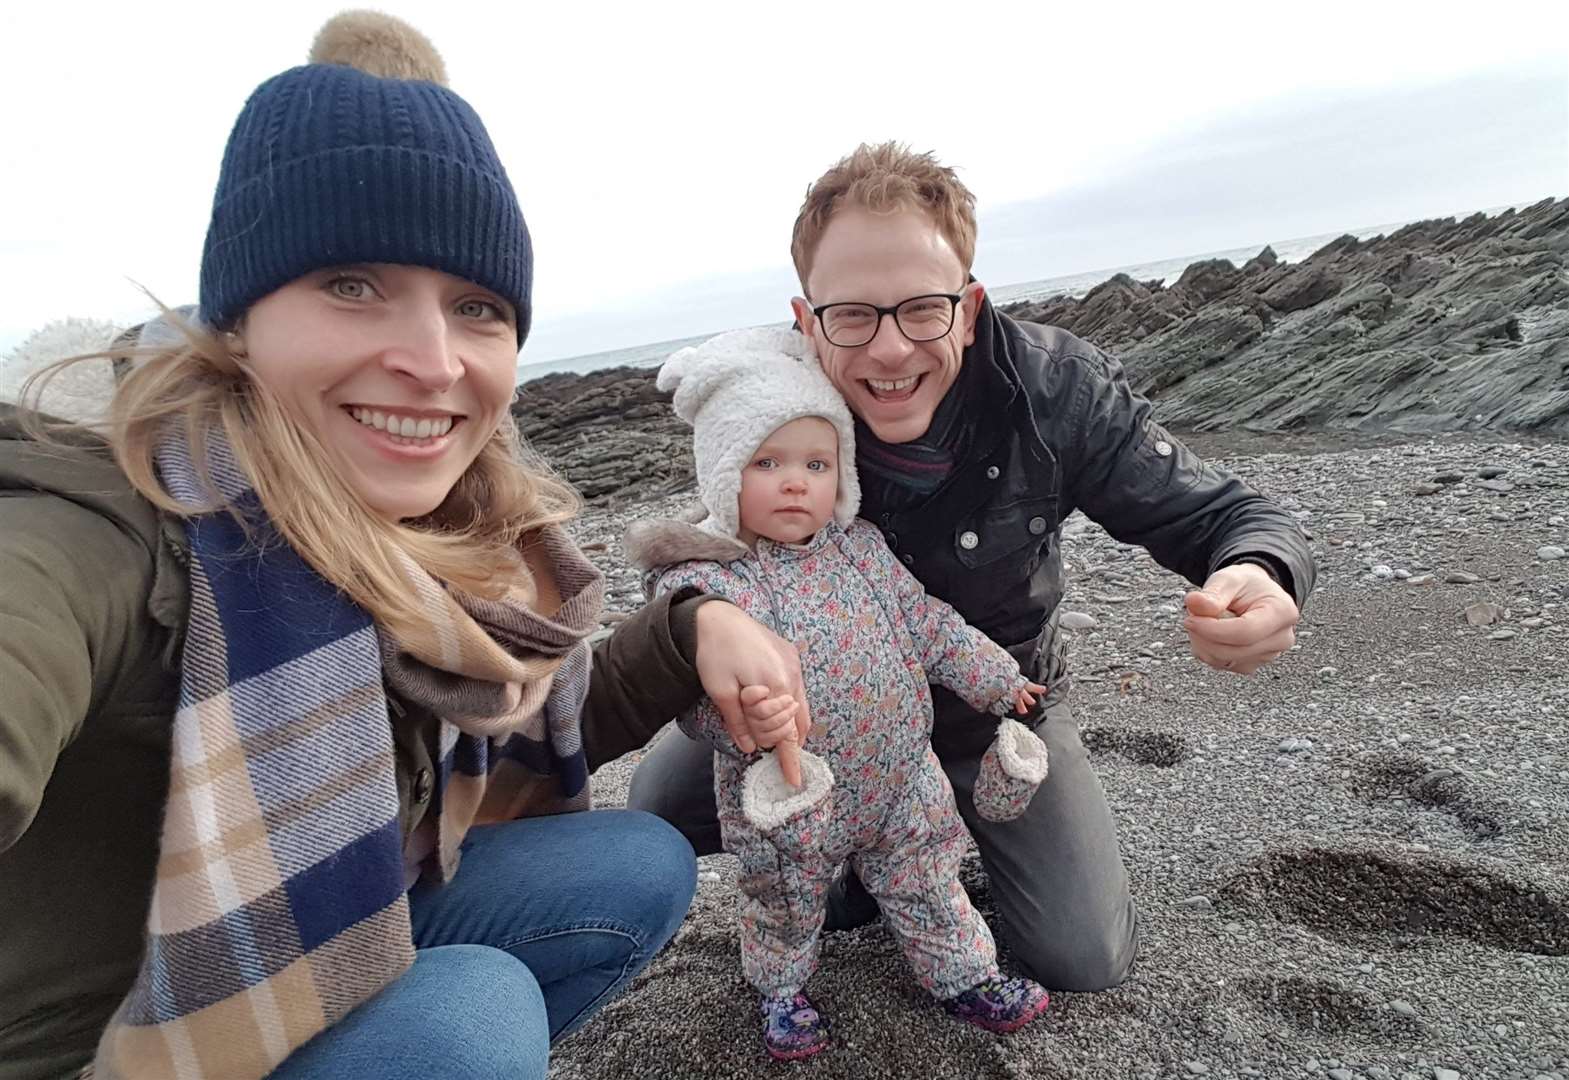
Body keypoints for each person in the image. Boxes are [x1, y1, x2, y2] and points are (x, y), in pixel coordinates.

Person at [0, 14, 802, 1080]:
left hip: (339, 913)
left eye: (474, 307)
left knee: (638, 863)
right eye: (350, 284)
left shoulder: (451, 523)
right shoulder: (117, 510)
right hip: (127, 1038)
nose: (430, 362)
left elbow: (507, 716)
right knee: (472, 1015)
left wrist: (692, 628)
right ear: (240, 317)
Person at [629, 142, 1317, 992]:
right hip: (816, 731)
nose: (887, 351)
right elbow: (685, 559)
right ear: (806, 321)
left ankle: (948, 829)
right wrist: (702, 618)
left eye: (922, 309)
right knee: (657, 810)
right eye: (851, 315)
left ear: (968, 305)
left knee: (1083, 958)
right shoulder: (766, 406)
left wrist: (1258, 573)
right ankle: (877, 854)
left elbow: (1223, 516)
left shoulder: (1057, 392)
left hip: (995, 714)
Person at [624, 327, 1054, 1059]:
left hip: (898, 774)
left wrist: (996, 680)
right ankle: (781, 990)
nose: (795, 482)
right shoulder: (712, 581)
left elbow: (928, 623)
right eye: (767, 462)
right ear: (724, 474)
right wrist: (739, 721)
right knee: (783, 900)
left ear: (841, 477)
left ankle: (963, 975)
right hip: (794, 788)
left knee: (926, 876)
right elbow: (689, 695)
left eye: (815, 463)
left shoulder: (859, 548)